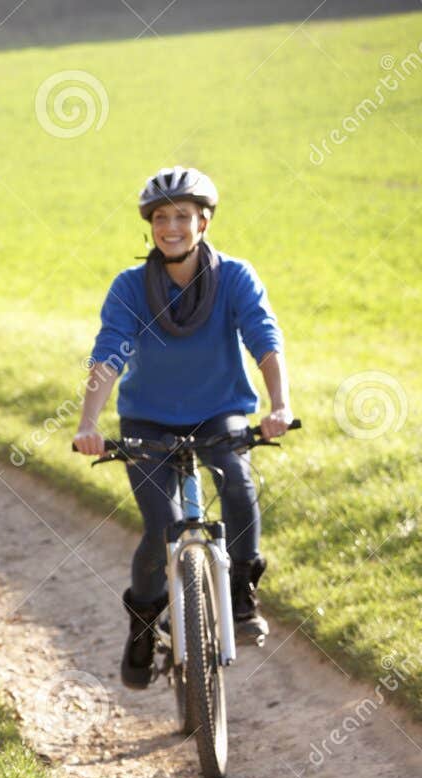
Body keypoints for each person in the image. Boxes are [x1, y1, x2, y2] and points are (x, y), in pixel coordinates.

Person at [72, 166, 293, 690]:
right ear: (150, 225)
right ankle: (145, 625)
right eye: (161, 218)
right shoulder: (130, 288)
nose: (172, 227)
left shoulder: (236, 277)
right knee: (161, 524)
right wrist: (88, 423)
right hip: (148, 418)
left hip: (220, 409)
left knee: (237, 481)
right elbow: (109, 355)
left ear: (204, 223)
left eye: (184, 217)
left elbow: (263, 338)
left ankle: (240, 590)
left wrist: (280, 405)